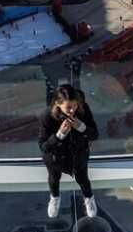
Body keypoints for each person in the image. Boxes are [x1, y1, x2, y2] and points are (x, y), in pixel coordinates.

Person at [38, 84, 99, 218]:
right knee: (54, 179)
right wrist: (59, 134)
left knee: (83, 179)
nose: (73, 110)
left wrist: (82, 127)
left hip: (79, 155)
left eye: (75, 105)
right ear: (58, 104)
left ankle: (89, 198)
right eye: (69, 107)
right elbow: (43, 147)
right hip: (55, 158)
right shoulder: (47, 116)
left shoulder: (83, 109)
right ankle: (55, 198)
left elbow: (94, 134)